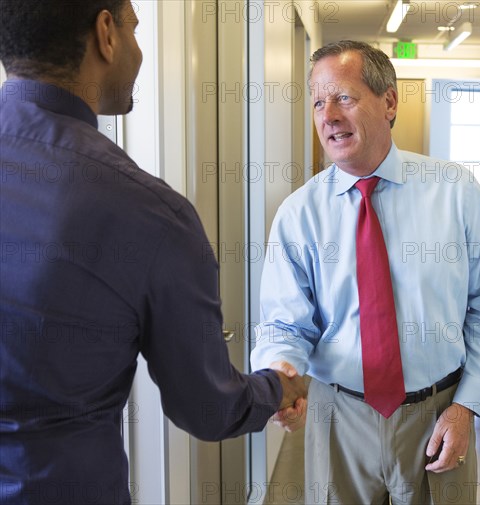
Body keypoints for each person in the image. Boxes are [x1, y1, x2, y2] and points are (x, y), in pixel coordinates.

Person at [0, 2, 306, 504]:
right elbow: (208, 409)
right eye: (135, 30)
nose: (139, 50)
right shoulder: (148, 212)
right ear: (106, 34)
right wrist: (280, 387)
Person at [251, 40, 480, 505]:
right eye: (318, 101)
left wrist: (466, 406)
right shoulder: (299, 215)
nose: (328, 116)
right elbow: (283, 324)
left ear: (389, 102)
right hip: (338, 415)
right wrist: (279, 378)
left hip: (439, 414)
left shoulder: (453, 192)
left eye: (344, 98)